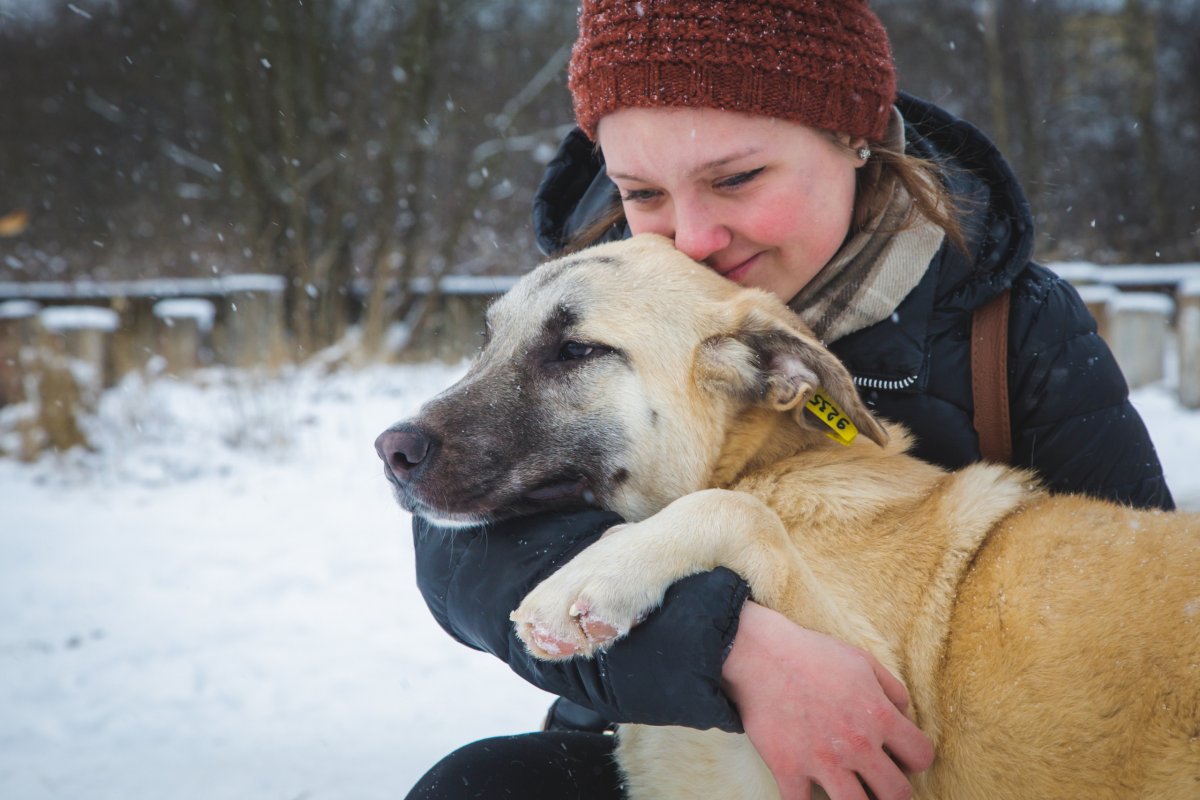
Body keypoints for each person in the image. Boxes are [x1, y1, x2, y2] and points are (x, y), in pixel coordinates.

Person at [404, 1, 1175, 798]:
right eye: (642, 192)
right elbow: (468, 546)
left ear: (853, 138)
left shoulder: (1013, 325)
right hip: (661, 717)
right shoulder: (601, 293)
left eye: (736, 179)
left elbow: (1135, 604)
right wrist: (731, 649)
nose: (693, 238)